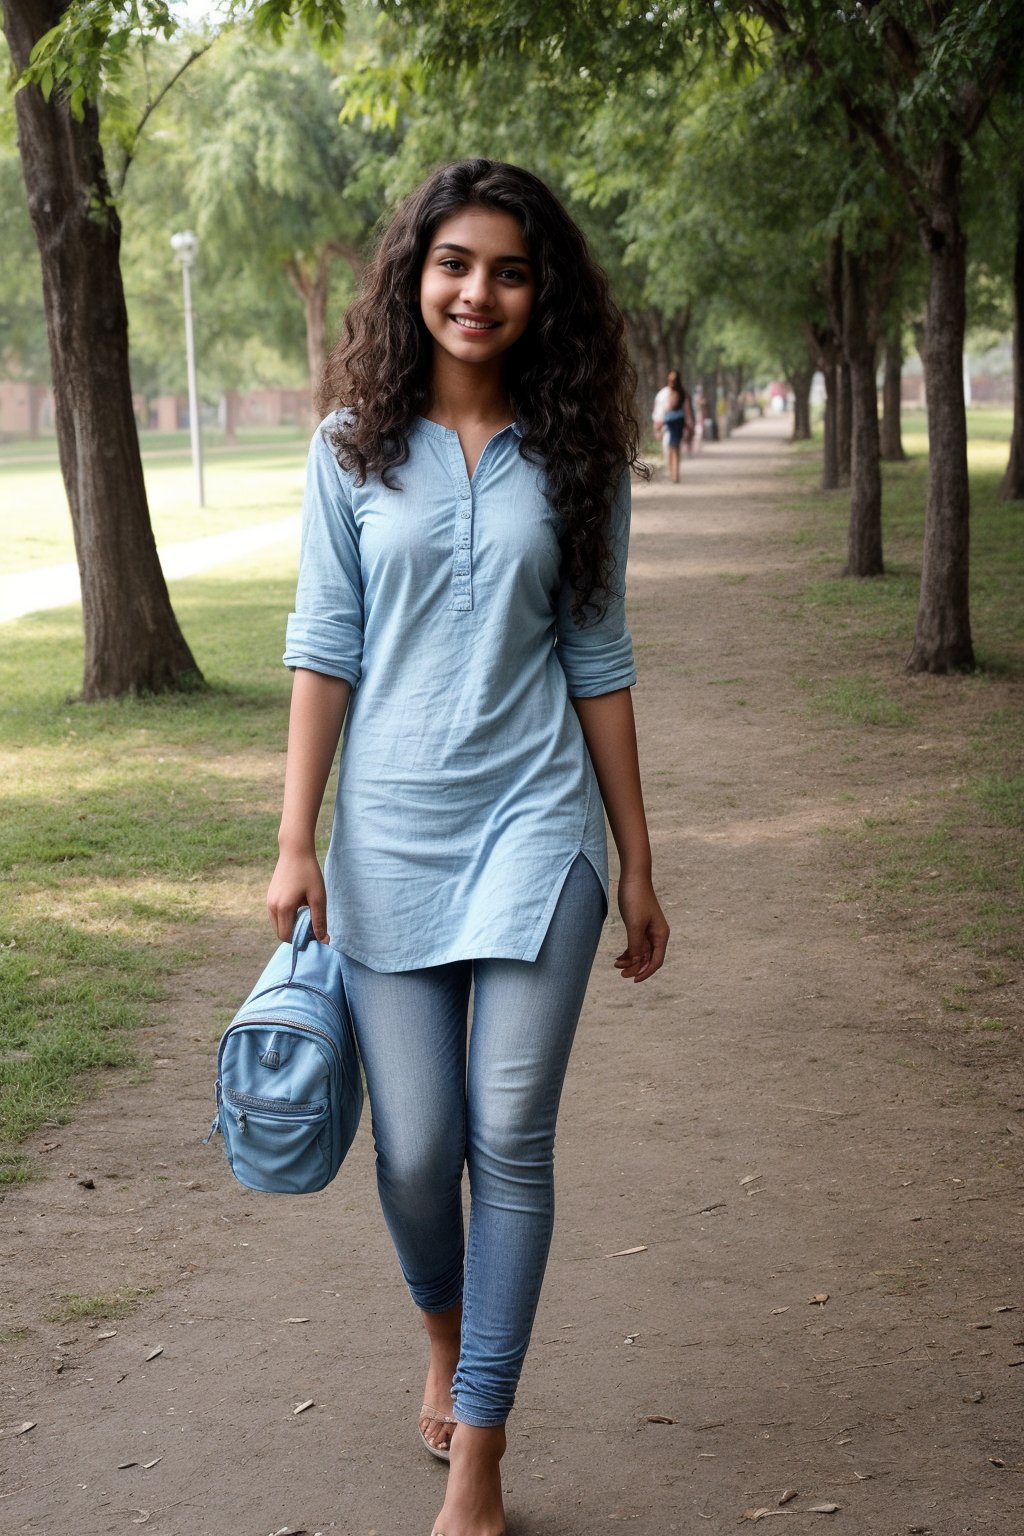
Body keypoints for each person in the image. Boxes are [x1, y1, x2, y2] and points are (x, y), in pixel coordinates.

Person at [267, 158, 669, 1536]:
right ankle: (442, 1328)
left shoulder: (580, 456)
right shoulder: (346, 447)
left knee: (506, 1131)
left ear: (539, 289)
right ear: (413, 275)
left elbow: (598, 655)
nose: (477, 290)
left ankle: (482, 1450)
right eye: (454, 264)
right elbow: (325, 649)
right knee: (412, 1146)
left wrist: (637, 857)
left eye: (506, 268)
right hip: (385, 841)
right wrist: (295, 840)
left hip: (536, 831)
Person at [651, 367, 694, 482]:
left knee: (674, 447)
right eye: (670, 379)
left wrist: (689, 426)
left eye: (674, 380)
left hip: (676, 424)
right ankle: (672, 472)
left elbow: (687, 410)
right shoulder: (662, 394)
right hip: (665, 424)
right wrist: (657, 428)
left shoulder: (681, 393)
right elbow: (658, 412)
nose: (672, 382)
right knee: (668, 449)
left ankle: (675, 474)